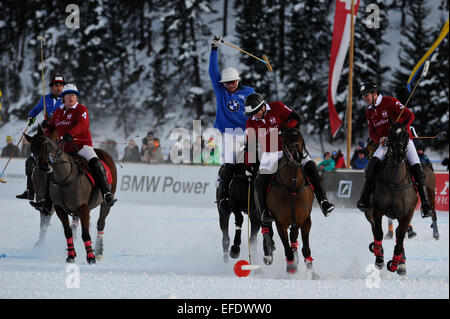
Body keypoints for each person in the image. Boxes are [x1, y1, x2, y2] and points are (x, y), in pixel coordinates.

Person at [244, 93, 335, 229]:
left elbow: (296, 118)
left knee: (311, 167)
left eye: (255, 112)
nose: (254, 115)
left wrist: (286, 128)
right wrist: (249, 165)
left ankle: (323, 201)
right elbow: (250, 145)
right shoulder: (251, 122)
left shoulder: (277, 107)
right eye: (251, 113)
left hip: (291, 147)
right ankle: (264, 213)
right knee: (259, 181)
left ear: (262, 107)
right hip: (271, 152)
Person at [30, 84, 117, 214]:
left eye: (73, 95)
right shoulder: (58, 112)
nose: (71, 98)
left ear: (76, 98)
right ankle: (47, 203)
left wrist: (71, 133)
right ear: (63, 98)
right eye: (68, 95)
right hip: (64, 150)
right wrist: (41, 135)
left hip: (82, 147)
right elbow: (50, 129)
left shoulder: (81, 109)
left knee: (95, 162)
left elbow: (83, 124)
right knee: (50, 170)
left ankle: (107, 194)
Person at [356, 82, 433, 218]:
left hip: (403, 141)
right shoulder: (369, 111)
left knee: (417, 167)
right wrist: (380, 139)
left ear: (375, 93)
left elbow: (410, 116)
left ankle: (425, 204)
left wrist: (400, 129)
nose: (365, 98)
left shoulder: (390, 102)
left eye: (366, 95)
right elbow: (372, 132)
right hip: (386, 143)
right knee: (372, 165)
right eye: (363, 96)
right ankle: (365, 199)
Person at [209, 35, 255, 212]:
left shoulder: (249, 92)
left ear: (238, 80)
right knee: (230, 164)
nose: (230, 85)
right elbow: (213, 71)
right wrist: (214, 49)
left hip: (248, 133)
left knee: (261, 163)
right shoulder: (221, 91)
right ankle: (223, 195)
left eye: (233, 81)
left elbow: (260, 108)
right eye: (227, 82)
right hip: (228, 133)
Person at [16, 74, 66, 200]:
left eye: (60, 85)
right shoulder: (45, 99)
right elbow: (35, 110)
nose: (58, 88)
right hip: (47, 133)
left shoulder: (68, 99)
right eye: (55, 85)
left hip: (62, 134)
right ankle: (30, 190)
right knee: (30, 160)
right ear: (51, 87)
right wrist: (31, 116)